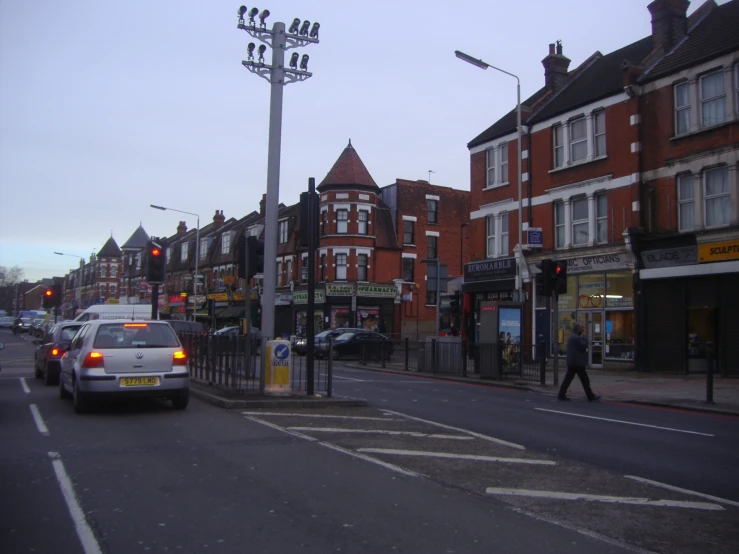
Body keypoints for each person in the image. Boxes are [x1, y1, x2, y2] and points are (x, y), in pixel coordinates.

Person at [558, 323, 601, 401]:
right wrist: (586, 338)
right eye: (582, 328)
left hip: (572, 362)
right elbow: (583, 346)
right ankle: (590, 396)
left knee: (568, 379)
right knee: (585, 380)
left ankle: (561, 394)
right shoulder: (576, 338)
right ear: (578, 329)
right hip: (577, 363)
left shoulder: (572, 336)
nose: (583, 330)